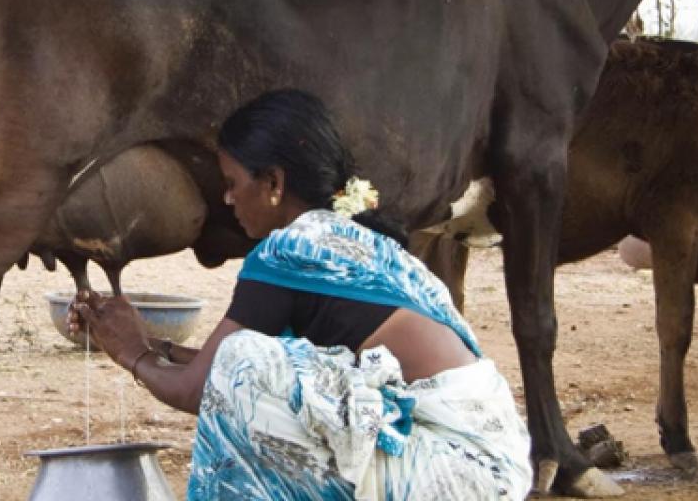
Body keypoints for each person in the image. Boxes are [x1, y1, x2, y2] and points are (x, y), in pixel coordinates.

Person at [69, 89, 532, 500]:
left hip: (448, 471)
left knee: (243, 362)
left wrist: (131, 353)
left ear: (273, 184)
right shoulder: (350, 239)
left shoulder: (289, 251)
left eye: (232, 184)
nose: (227, 200)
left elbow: (200, 389)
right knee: (248, 364)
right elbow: (222, 369)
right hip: (491, 463)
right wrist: (152, 344)